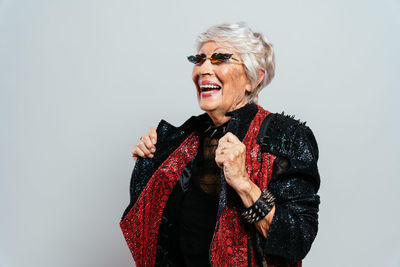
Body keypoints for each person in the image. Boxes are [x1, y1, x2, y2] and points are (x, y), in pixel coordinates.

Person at [120, 22, 320, 267]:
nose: (203, 69)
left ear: (253, 78)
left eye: (220, 59)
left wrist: (244, 183)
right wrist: (147, 166)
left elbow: (297, 239)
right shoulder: (184, 137)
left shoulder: (286, 136)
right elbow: (153, 231)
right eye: (199, 59)